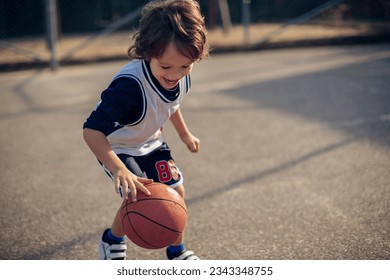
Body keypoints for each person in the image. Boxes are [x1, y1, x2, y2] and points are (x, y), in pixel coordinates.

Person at [83, 0, 209, 260]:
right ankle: (112, 240)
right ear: (148, 52)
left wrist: (185, 134)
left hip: (151, 142)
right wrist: (120, 169)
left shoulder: (181, 75)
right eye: (166, 66)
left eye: (185, 65)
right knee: (139, 196)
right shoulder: (129, 88)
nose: (175, 74)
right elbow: (91, 131)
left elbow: (170, 105)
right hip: (118, 147)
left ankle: (177, 252)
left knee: (177, 191)